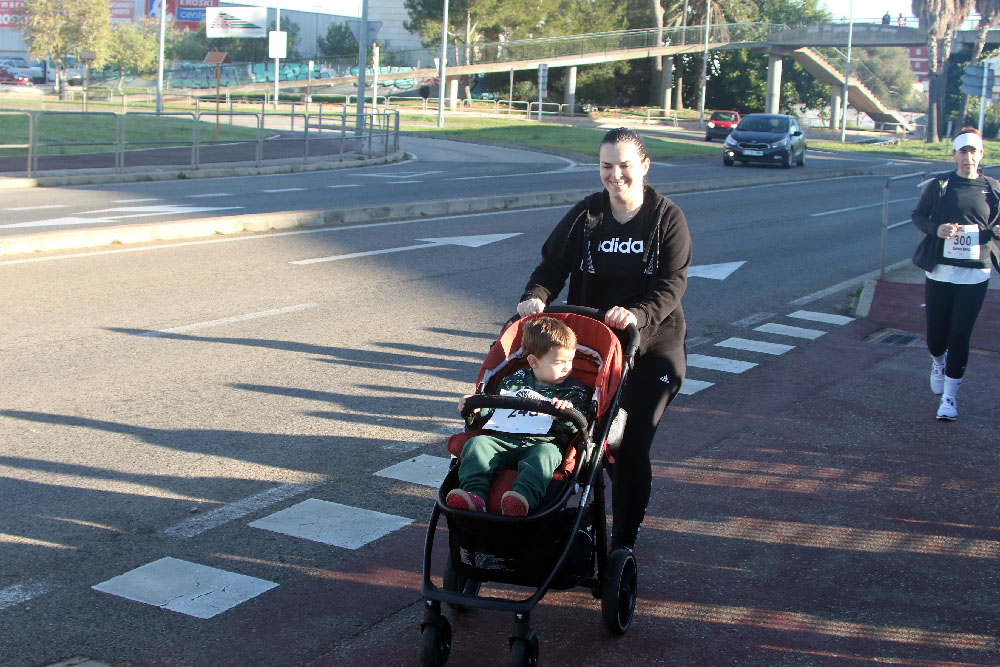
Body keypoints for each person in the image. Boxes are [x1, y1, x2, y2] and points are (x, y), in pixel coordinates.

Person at [516, 127, 691, 552]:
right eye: (606, 166)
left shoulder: (667, 218)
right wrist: (535, 298)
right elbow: (551, 266)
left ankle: (623, 543)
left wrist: (637, 315)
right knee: (574, 436)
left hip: (651, 351)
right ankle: (568, 516)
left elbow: (672, 283)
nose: (615, 175)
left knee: (627, 445)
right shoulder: (587, 215)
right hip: (593, 347)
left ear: (645, 167)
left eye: (625, 166)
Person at [447, 317, 591, 517]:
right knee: (477, 445)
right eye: (559, 362)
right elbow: (496, 409)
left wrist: (567, 413)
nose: (567, 367)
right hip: (504, 438)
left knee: (544, 455)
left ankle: (521, 499)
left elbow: (579, 427)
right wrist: (478, 408)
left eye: (570, 360)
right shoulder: (514, 380)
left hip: (544, 442)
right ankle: (474, 495)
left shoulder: (574, 390)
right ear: (533, 361)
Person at [911, 126, 1000, 420]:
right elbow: (918, 216)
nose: (968, 157)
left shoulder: (993, 189)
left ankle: (949, 398)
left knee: (960, 335)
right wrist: (937, 228)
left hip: (975, 273)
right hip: (940, 271)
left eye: (973, 152)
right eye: (963, 152)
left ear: (981, 155)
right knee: (937, 337)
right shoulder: (940, 186)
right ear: (954, 155)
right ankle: (938, 361)